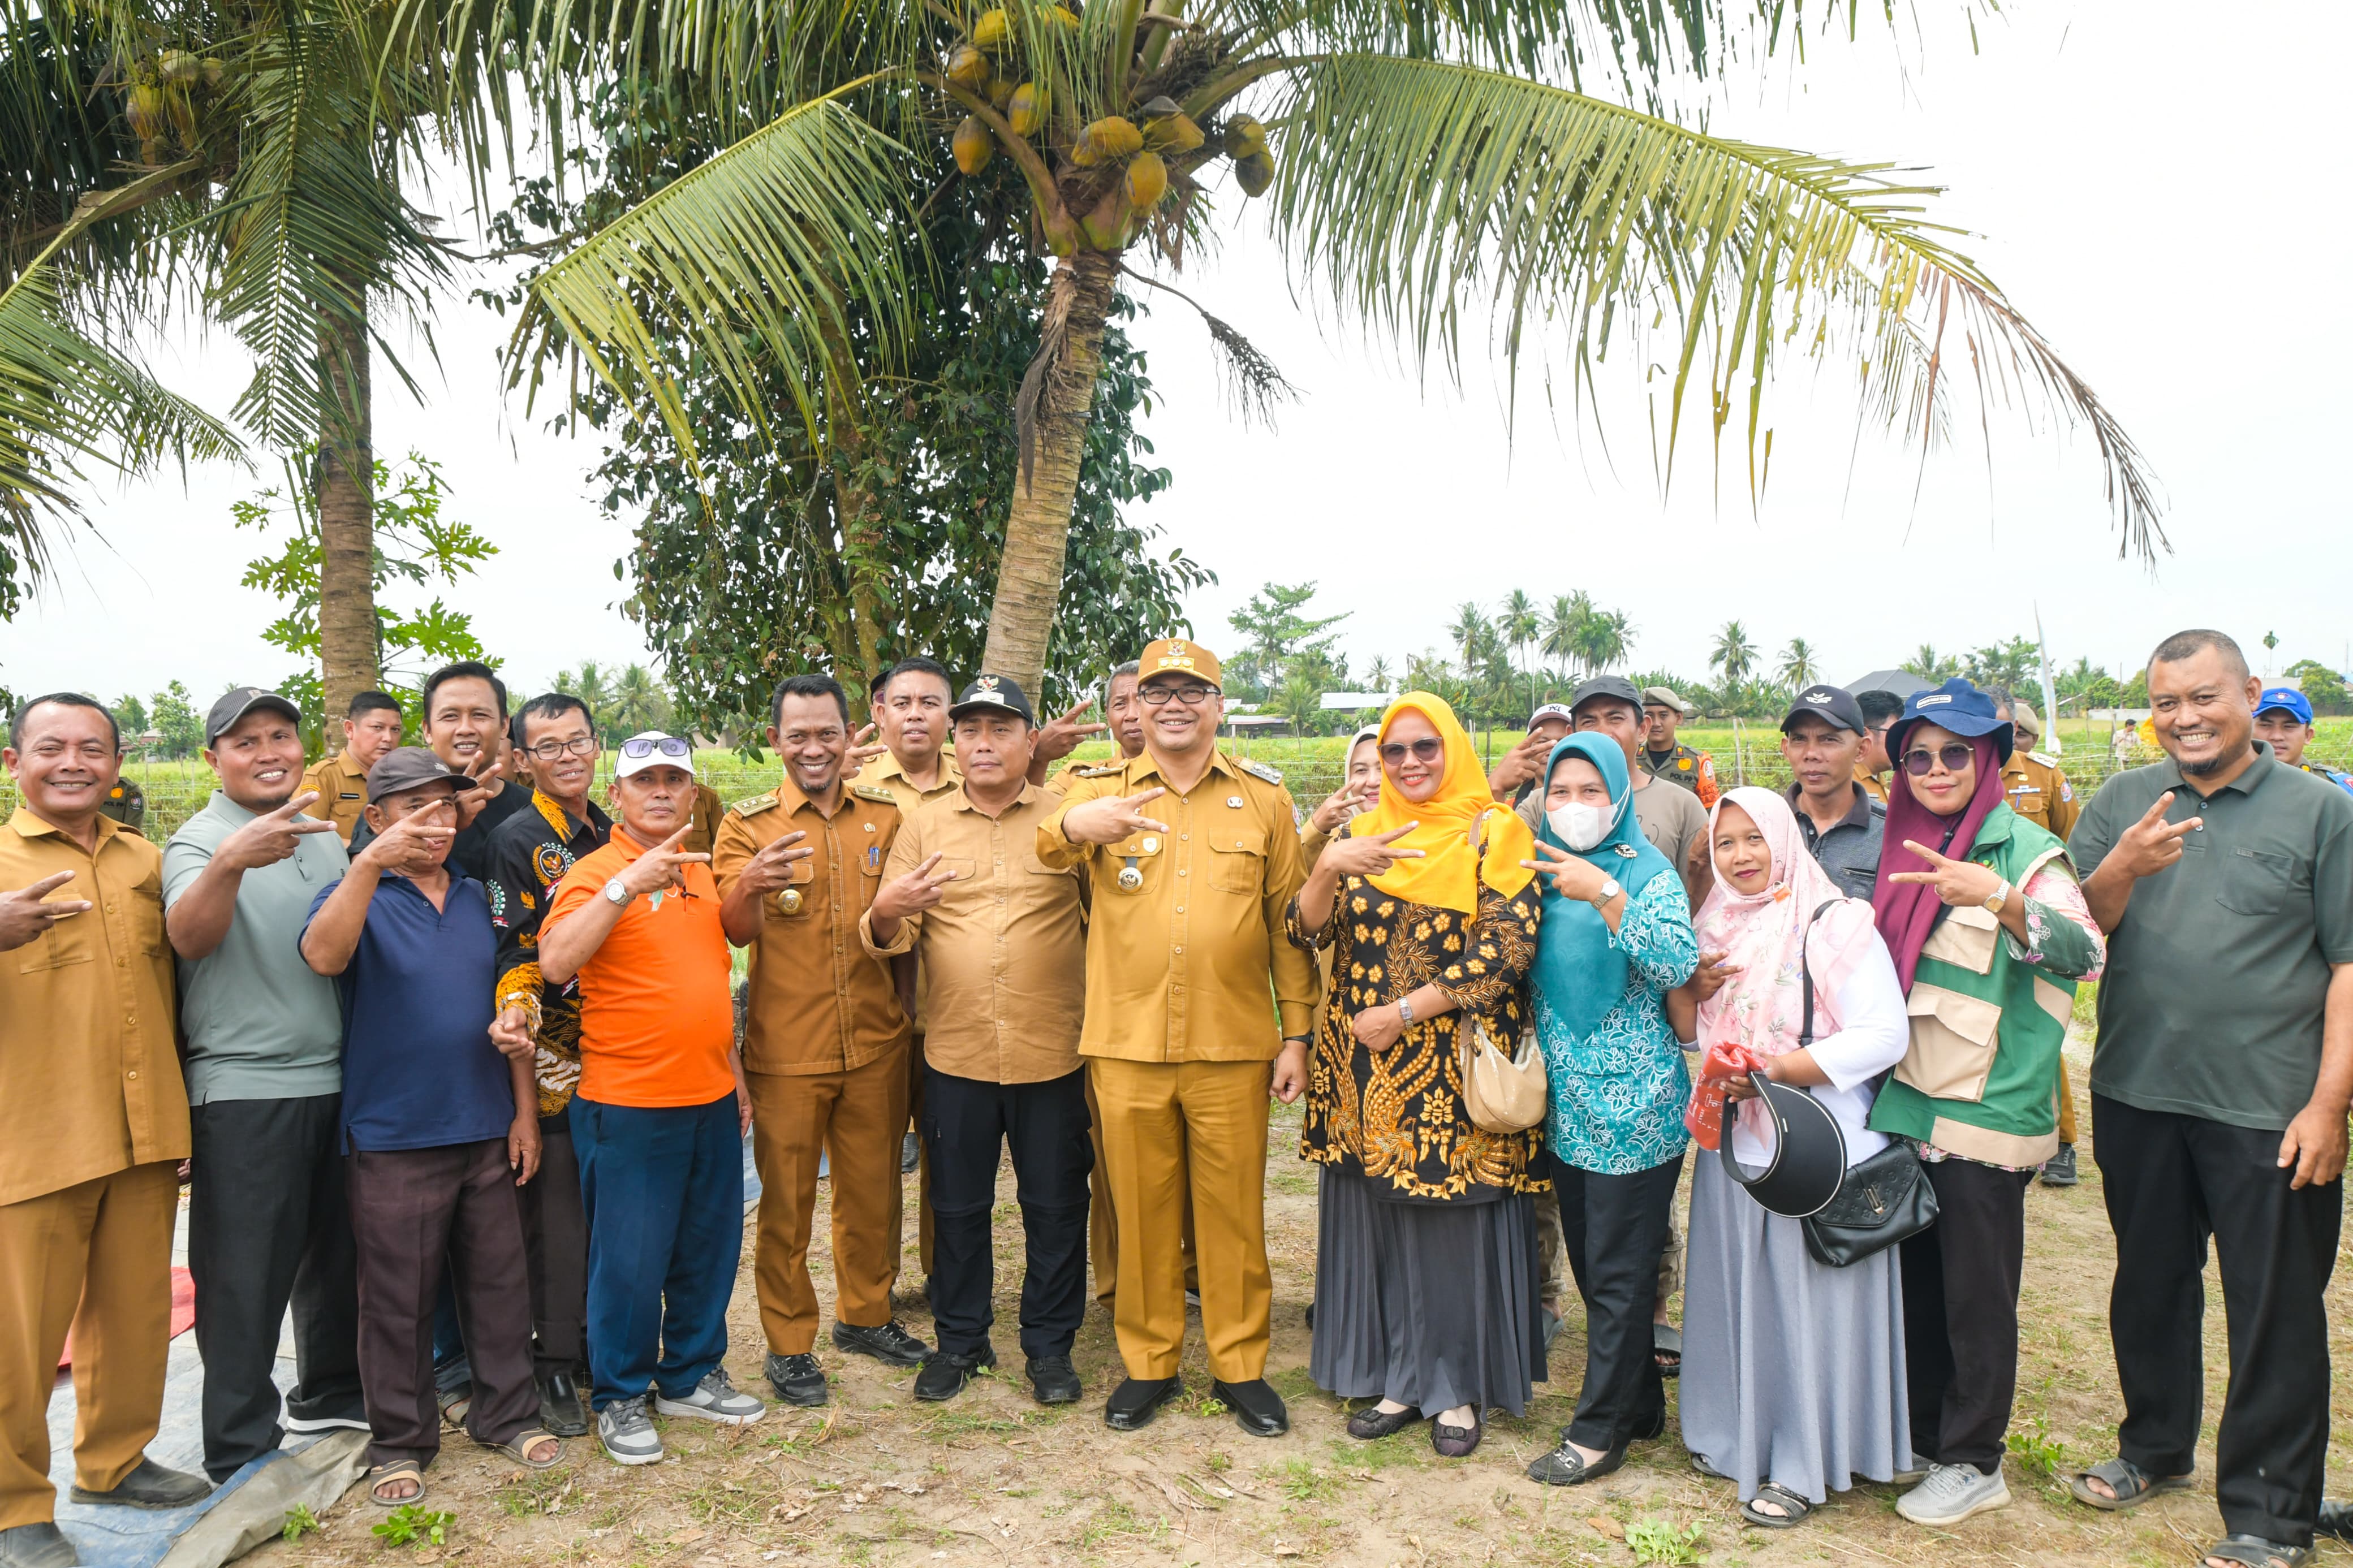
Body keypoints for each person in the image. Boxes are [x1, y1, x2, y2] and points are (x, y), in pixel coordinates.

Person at [2065, 632, 2352, 1568]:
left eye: (2203, 696)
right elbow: (2075, 936)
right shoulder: (2122, 800)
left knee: (2275, 1306)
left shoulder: (2320, 811)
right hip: (2138, 1089)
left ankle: (2270, 1513)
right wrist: (2121, 866)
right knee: (2149, 1282)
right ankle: (2154, 1445)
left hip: (2271, 1107)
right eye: (2166, 702)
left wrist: (2330, 1105)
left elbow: (2349, 964)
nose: (2185, 717)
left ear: (2249, 693)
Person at [1038, 637, 1316, 1438]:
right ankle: (1150, 1363)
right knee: (1140, 1212)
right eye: (1157, 691)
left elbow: (1287, 927)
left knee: (1233, 1215)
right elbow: (1044, 843)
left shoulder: (1264, 798)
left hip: (1232, 1044)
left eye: (1192, 691)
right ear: (1136, 705)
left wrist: (1297, 1036)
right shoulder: (1096, 789)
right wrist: (1078, 822)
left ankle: (1240, 1365)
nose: (1173, 705)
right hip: (1126, 1044)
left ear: (1218, 706)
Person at [1865, 677, 2103, 1528]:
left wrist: (1999, 897)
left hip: (1986, 1114)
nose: (1935, 770)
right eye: (1918, 757)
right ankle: (1928, 1437)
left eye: (1954, 754)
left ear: (1990, 758)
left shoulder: (2027, 850)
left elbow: (2086, 952)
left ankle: (1975, 1459)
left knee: (1976, 1295)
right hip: (1908, 1105)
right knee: (1917, 1287)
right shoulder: (1901, 844)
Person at [298, 748, 558, 1505]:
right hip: (394, 1133)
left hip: (486, 1124)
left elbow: (512, 1002)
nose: (433, 823)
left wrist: (523, 1113)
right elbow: (323, 956)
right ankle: (400, 1441)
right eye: (413, 808)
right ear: (376, 817)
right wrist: (368, 863)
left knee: (501, 1283)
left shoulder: (481, 897)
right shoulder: (356, 893)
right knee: (395, 1298)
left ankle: (506, 1414)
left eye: (444, 806)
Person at [1291, 694, 1544, 1458]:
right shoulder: (1359, 833)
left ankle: (1455, 1388)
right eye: (1395, 751)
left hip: (1446, 1071)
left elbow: (1506, 949)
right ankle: (1398, 1378)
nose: (1408, 763)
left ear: (1453, 749)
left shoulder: (1493, 831)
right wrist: (1326, 865)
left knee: (1448, 1228)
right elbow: (1303, 931)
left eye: (1425, 747)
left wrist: (1404, 1012)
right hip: (1361, 1070)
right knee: (1380, 1224)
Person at [0, 696, 210, 1568]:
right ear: (14, 762)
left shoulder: (145, 862)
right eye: (52, 746)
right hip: (34, 1134)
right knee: (19, 1336)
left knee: (133, 1311)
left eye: (93, 748)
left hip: (143, 1126)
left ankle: (114, 1462)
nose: (73, 762)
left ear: (117, 764)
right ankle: (14, 1507)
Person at [1677, 788, 1912, 1527]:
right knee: (1747, 1299)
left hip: (1816, 1148)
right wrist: (1690, 991)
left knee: (1809, 1308)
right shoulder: (1714, 924)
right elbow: (1694, 1035)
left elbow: (1884, 1034)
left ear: (1783, 839)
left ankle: (1803, 1465)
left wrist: (1777, 1071)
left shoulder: (1833, 921)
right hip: (1738, 1147)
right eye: (1725, 842)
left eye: (1754, 838)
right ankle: (1737, 1434)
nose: (1740, 856)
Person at [862, 676, 1092, 1406]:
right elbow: (889, 929)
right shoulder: (923, 826)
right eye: (970, 731)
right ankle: (960, 1342)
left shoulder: (1066, 820)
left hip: (1052, 1051)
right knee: (957, 1208)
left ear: (1032, 741)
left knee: (1055, 1207)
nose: (983, 744)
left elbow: (1110, 920)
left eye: (1000, 729)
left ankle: (1049, 1349)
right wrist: (884, 910)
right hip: (956, 1052)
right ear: (955, 744)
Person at [540, 733, 766, 1466]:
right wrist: (625, 886)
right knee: (630, 1262)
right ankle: (620, 1393)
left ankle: (690, 1374)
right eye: (646, 780)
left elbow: (705, 980)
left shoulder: (698, 872)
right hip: (630, 1103)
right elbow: (555, 961)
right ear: (617, 795)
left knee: (708, 1247)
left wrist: (734, 1075)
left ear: (694, 794)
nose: (662, 791)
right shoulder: (595, 873)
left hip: (709, 1096)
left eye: (675, 779)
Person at [162, 688, 365, 1484]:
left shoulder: (322, 836)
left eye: (280, 735)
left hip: (334, 1078)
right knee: (244, 1275)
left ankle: (330, 1390)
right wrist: (229, 863)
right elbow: (189, 936)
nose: (268, 752)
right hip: (245, 1088)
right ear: (213, 757)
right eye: (245, 741)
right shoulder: (199, 840)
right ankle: (240, 1444)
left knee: (335, 1256)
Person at [713, 677, 930, 1411]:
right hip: (787, 1051)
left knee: (872, 1194)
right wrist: (749, 883)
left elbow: (907, 928)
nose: (814, 748)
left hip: (875, 1043)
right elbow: (732, 931)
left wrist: (904, 1008)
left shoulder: (885, 817)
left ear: (848, 735)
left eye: (827, 733)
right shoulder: (747, 825)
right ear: (775, 741)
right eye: (798, 735)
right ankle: (788, 1341)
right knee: (787, 1207)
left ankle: (865, 1315)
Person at [1519, 733, 1697, 1486]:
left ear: (1621, 795)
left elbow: (1676, 963)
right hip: (1567, 1109)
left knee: (1621, 1274)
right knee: (1596, 1268)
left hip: (1636, 1111)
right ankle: (1642, 1403)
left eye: (1591, 791)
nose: (1574, 806)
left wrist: (1604, 893)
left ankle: (1598, 1433)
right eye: (1560, 792)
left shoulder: (1646, 872)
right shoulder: (1538, 871)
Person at [484, 693, 613, 1439]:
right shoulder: (517, 839)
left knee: (605, 1211)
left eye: (578, 742)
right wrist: (519, 1020)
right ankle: (555, 1361)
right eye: (549, 747)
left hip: (621, 1053)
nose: (567, 757)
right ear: (521, 760)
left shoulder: (611, 830)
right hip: (556, 1061)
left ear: (597, 746)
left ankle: (599, 1346)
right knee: (558, 1220)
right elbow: (516, 953)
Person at [860, 658, 966, 1275]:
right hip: (874, 1008)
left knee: (949, 1159)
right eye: (902, 703)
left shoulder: (978, 782)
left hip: (953, 1008)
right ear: (880, 713)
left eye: (930, 702)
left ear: (950, 714)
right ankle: (873, 1291)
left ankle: (942, 1278)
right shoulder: (853, 789)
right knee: (872, 1161)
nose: (916, 715)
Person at [1988, 691, 2088, 1186]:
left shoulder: (2043, 775)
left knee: (2039, 1034)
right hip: (1970, 924)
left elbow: (2073, 841)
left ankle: (2062, 1141)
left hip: (2034, 922)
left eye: (2003, 727)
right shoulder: (1940, 774)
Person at [349, 663, 525, 877]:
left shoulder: (532, 807)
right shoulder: (392, 804)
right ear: (428, 730)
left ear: (504, 726)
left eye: (480, 715)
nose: (465, 729)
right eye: (450, 716)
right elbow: (361, 875)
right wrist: (451, 821)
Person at [1779, 685, 1887, 900]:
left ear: (1861, 749)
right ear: (1786, 749)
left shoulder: (1890, 832)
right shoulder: (1763, 825)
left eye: (1828, 739)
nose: (1811, 754)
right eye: (1799, 739)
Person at [301, 690, 406, 844]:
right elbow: (306, 836)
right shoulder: (323, 777)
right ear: (350, 729)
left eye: (395, 729)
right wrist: (368, 851)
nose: (388, 738)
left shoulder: (403, 779)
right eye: (377, 727)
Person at [2255, 686, 2353, 794]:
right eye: (2265, 725)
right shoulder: (2238, 780)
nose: (2277, 736)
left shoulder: (2339, 789)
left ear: (2308, 736)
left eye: (2289, 727)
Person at [1640, 686, 1720, 806]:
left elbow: (1710, 810)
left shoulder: (1697, 762)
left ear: (1678, 718)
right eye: (1649, 715)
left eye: (1663, 715)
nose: (1656, 723)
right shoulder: (1629, 759)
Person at [1486, 702, 1575, 806]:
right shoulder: (1510, 808)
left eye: (1563, 743)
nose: (1552, 752)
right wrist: (1496, 789)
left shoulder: (1590, 807)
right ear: (1529, 749)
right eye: (1542, 743)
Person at [1855, 689, 1905, 804]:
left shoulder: (1881, 783)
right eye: (1896, 734)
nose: (1902, 742)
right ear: (1864, 735)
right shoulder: (1844, 786)